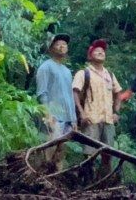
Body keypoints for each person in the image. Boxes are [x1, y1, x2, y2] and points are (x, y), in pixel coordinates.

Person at [72, 39, 122, 177]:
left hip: (108, 120)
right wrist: (81, 114)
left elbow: (118, 93)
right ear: (90, 55)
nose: (101, 52)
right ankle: (86, 183)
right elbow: (75, 92)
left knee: (108, 155)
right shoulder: (83, 73)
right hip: (91, 119)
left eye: (103, 50)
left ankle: (102, 183)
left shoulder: (110, 75)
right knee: (89, 154)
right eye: (97, 50)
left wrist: (116, 112)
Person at [35, 32, 77, 172]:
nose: (61, 47)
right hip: (53, 117)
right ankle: (43, 181)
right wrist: (48, 114)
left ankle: (57, 182)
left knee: (61, 153)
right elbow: (42, 92)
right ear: (51, 48)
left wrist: (74, 120)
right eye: (58, 44)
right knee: (49, 151)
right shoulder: (45, 67)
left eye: (64, 44)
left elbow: (70, 97)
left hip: (67, 119)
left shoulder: (67, 71)